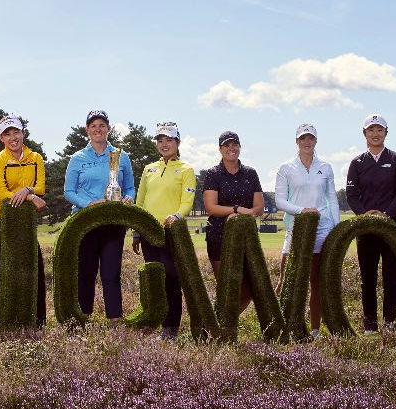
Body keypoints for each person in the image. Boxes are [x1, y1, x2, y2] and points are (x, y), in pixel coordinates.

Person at [64, 110, 135, 323]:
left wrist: (129, 199)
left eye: (102, 125)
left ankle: (115, 320)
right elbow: (69, 192)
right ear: (87, 130)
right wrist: (89, 204)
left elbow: (130, 187)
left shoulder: (121, 156)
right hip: (85, 222)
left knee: (111, 273)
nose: (98, 129)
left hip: (113, 222)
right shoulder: (77, 158)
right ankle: (83, 318)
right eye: (93, 125)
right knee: (85, 272)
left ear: (109, 128)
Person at [274, 123, 340, 338]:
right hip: (295, 229)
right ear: (297, 142)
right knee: (286, 281)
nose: (307, 142)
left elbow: (332, 199)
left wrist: (337, 230)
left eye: (310, 138)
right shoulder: (286, 168)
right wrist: (303, 211)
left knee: (316, 282)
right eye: (302, 138)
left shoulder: (326, 167)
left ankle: (314, 330)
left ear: (316, 141)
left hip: (322, 230)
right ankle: (279, 325)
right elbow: (280, 201)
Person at [346, 114, 396, 333]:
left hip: (392, 228)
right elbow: (351, 195)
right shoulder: (357, 163)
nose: (375, 134)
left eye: (379, 130)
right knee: (368, 279)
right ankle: (370, 326)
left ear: (386, 133)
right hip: (366, 229)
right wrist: (366, 215)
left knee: (391, 277)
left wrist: (385, 214)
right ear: (364, 134)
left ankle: (390, 324)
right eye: (371, 130)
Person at [132, 122, 196, 338]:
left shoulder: (186, 169)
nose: (164, 144)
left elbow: (187, 201)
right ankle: (153, 322)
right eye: (160, 140)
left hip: (172, 232)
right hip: (149, 231)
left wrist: (176, 216)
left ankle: (170, 328)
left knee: (171, 278)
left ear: (178, 142)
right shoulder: (149, 169)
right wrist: (136, 232)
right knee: (153, 279)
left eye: (169, 140)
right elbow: (140, 202)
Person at [0, 114, 47, 327]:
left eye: (16, 132)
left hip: (25, 223)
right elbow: (2, 193)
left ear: (23, 133)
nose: (13, 137)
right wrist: (29, 197)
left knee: (35, 269)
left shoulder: (36, 157)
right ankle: (2, 323)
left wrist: (28, 189)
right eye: (7, 134)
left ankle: (38, 323)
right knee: (1, 272)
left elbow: (41, 186)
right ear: (1, 138)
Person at [203, 130, 264, 313]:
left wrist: (246, 216)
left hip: (246, 238)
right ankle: (221, 328)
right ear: (220, 149)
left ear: (239, 147)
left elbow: (259, 207)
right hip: (218, 236)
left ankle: (225, 323)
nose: (231, 148)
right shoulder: (213, 174)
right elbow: (211, 207)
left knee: (248, 289)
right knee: (226, 288)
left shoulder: (250, 173)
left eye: (234, 144)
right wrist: (236, 210)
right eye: (226, 145)